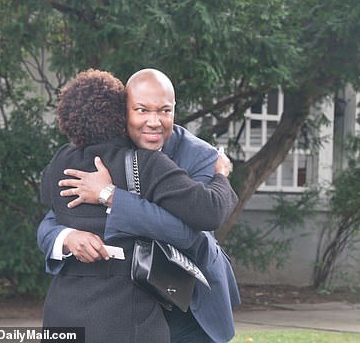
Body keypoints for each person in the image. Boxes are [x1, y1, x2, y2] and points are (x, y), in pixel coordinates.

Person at [38, 68, 241, 342]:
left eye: (164, 111)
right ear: (123, 112)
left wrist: (109, 195)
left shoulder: (200, 156)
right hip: (131, 302)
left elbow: (190, 231)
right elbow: (54, 218)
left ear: (174, 110)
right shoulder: (103, 150)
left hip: (189, 298)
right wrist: (67, 236)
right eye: (142, 110)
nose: (154, 122)